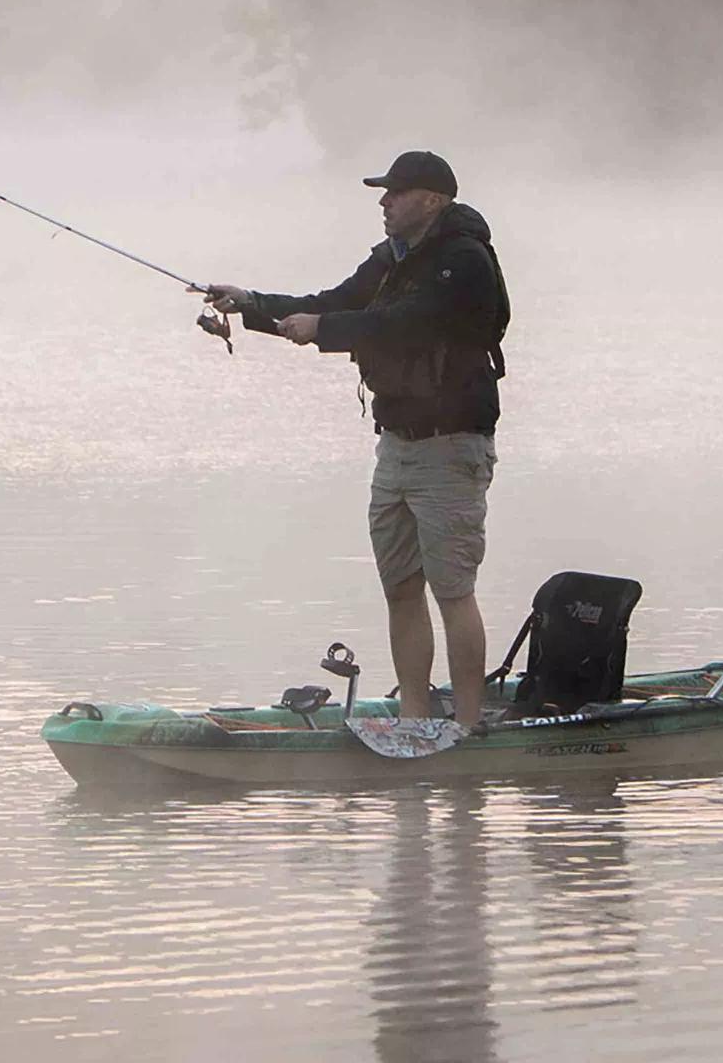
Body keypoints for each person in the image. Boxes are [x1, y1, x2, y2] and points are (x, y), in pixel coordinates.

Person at [204, 151, 510, 730]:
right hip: (395, 446)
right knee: (400, 586)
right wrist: (253, 306)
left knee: (453, 590)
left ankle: (469, 726)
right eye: (384, 192)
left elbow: (405, 323)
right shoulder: (391, 260)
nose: (383, 202)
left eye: (395, 192)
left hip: (452, 446)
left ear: (433, 200)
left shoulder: (463, 262)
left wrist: (325, 332)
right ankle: (416, 717)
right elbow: (334, 304)